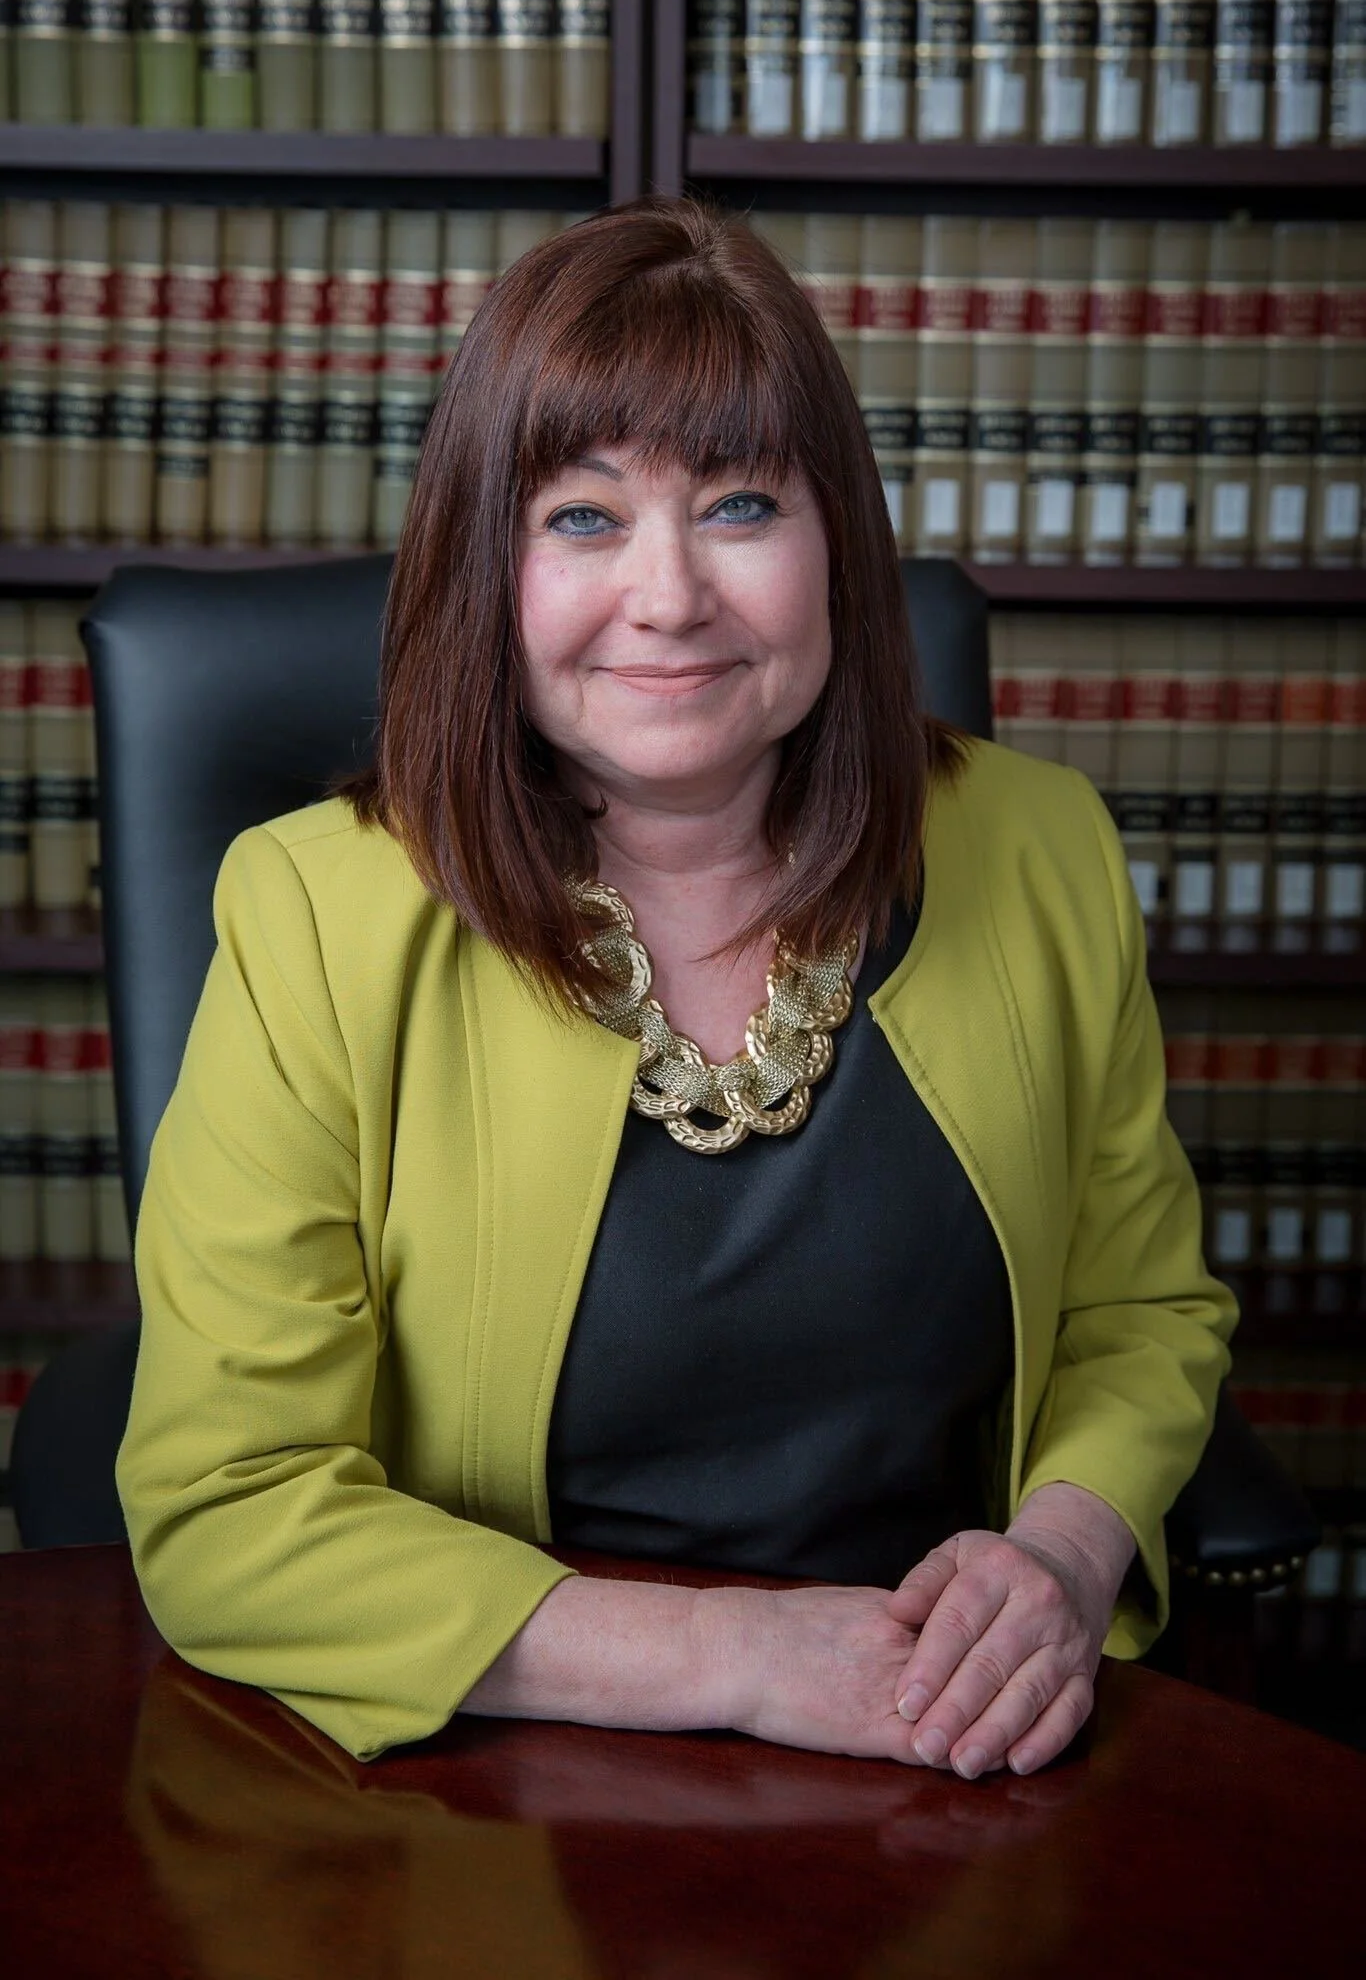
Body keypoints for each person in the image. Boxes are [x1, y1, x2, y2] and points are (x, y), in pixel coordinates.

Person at [116, 196, 1238, 1782]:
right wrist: (731, 1657)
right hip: (517, 1773)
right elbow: (230, 1501)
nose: (667, 598)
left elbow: (1138, 1310)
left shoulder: (1039, 850)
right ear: (482, 563)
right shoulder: (316, 913)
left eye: (737, 506)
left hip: (970, 1744)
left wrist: (1063, 1552)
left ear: (833, 539)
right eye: (581, 517)